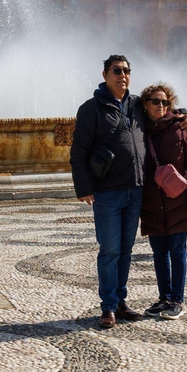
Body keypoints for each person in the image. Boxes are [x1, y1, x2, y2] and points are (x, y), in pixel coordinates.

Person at [70, 55, 151, 329]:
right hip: (107, 191)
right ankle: (107, 307)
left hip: (136, 189)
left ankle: (120, 301)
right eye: (117, 70)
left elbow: (167, 110)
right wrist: (83, 187)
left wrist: (185, 114)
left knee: (126, 250)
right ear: (105, 74)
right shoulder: (91, 108)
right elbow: (78, 151)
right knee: (110, 250)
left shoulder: (138, 105)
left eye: (127, 70)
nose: (123, 75)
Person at [138, 82, 187, 320]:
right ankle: (164, 298)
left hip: (178, 201)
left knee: (178, 251)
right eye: (155, 101)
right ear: (145, 104)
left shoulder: (181, 128)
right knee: (158, 252)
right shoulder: (140, 130)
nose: (160, 106)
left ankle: (177, 300)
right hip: (152, 202)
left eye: (165, 102)